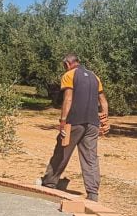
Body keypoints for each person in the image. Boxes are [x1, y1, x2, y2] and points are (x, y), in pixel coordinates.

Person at [41, 54, 110, 201]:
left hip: (74, 122)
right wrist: (104, 120)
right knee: (90, 158)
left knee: (62, 150)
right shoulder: (94, 77)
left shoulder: (69, 75)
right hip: (92, 124)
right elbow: (103, 102)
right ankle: (93, 193)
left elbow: (68, 98)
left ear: (67, 64)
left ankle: (49, 183)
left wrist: (63, 121)